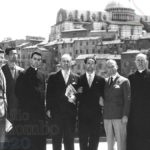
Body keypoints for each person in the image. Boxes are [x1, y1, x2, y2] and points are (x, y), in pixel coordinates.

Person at [46, 53, 79, 150]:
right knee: (56, 140)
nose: (66, 63)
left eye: (68, 61)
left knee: (69, 140)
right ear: (60, 63)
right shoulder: (53, 77)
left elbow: (78, 96)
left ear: (71, 63)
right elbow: (49, 95)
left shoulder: (76, 77)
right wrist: (48, 109)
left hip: (70, 114)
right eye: (64, 61)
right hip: (56, 114)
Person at [15, 51, 46, 150]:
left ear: (41, 62)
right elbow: (18, 94)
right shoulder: (23, 75)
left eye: (39, 60)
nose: (36, 61)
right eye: (35, 59)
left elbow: (42, 94)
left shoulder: (42, 75)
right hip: (28, 116)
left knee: (39, 143)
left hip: (39, 116)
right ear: (30, 60)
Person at [77, 56, 105, 150]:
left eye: (92, 63)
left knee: (95, 138)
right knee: (83, 138)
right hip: (83, 114)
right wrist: (77, 93)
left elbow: (104, 96)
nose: (90, 65)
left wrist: (102, 99)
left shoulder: (101, 80)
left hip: (96, 114)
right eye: (88, 63)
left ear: (95, 65)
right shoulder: (79, 79)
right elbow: (74, 97)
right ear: (85, 65)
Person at [103, 59, 130, 150]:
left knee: (121, 142)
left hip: (119, 117)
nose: (111, 69)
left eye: (112, 66)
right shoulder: (104, 81)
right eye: (108, 67)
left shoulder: (124, 81)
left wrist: (125, 115)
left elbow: (127, 100)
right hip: (107, 116)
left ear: (117, 67)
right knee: (110, 144)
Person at [2, 47, 24, 149]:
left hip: (20, 111)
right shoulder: (1, 71)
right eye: (12, 54)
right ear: (6, 56)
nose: (15, 56)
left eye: (16, 54)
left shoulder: (22, 71)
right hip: (6, 111)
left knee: (19, 139)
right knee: (6, 139)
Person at [127, 53, 150, 150]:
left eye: (142, 60)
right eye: (138, 60)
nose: (140, 63)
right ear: (135, 63)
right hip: (134, 113)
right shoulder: (130, 78)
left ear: (146, 62)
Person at [0, 49, 7, 150]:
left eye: (1, 58)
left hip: (2, 109)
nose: (1, 60)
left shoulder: (1, 71)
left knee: (2, 137)